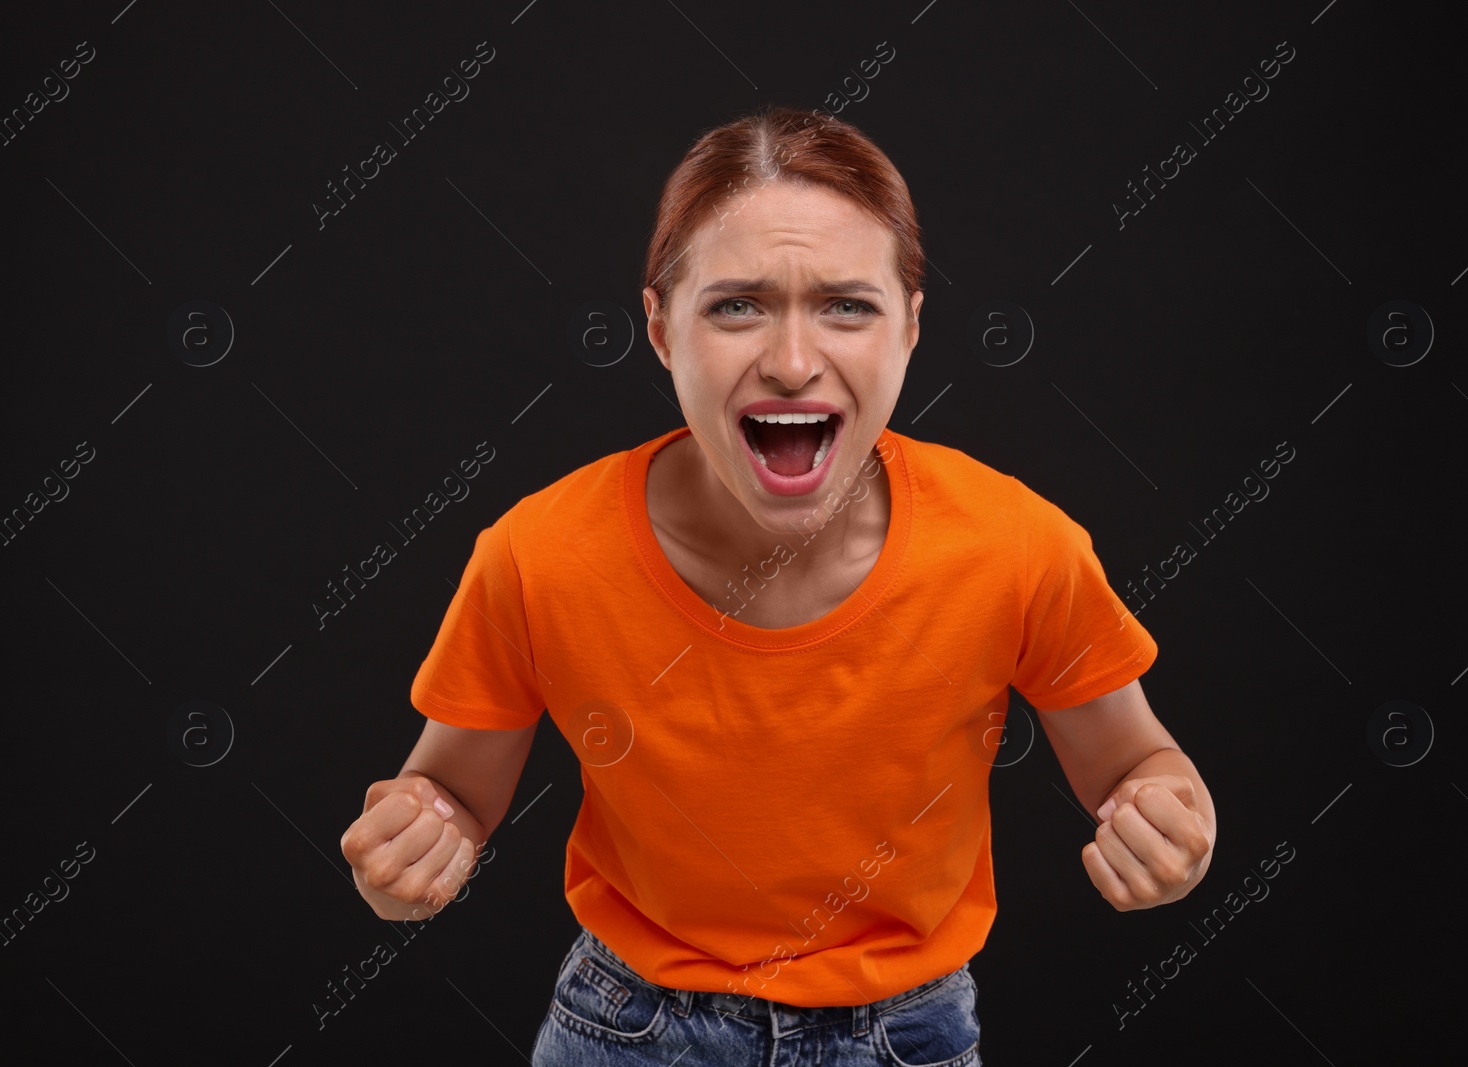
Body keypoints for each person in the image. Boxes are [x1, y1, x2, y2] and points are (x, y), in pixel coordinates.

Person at [339, 104, 1216, 1065]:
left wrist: (1172, 824)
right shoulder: (537, 554)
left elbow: (1138, 766)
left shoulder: (1019, 546)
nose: (794, 363)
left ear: (911, 328)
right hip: (627, 1030)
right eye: (736, 305)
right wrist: (413, 846)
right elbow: (450, 792)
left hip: (909, 1035)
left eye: (847, 305)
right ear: (661, 327)